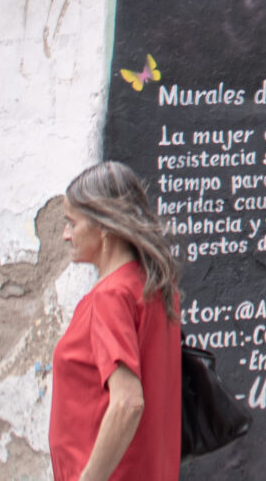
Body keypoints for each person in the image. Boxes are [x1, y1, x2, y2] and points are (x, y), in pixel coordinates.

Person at [50, 162, 182, 480]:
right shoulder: (154, 288)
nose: (66, 235)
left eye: (72, 223)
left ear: (104, 225)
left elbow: (128, 402)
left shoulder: (110, 296)